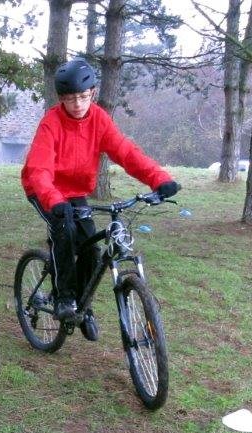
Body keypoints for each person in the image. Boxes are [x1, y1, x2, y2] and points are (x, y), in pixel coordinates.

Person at [21, 58, 180, 340]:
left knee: (93, 250)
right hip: (45, 190)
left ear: (92, 93)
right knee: (66, 232)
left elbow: (127, 153)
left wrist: (160, 179)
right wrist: (54, 201)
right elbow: (39, 169)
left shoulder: (99, 120)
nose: (78, 104)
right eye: (71, 99)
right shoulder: (51, 124)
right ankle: (65, 298)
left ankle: (83, 307)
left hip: (76, 192)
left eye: (83, 97)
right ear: (61, 99)